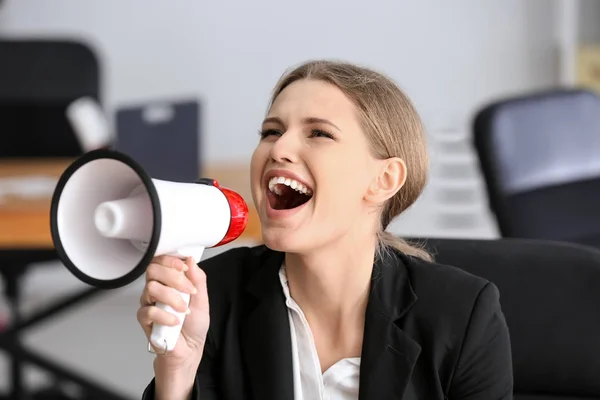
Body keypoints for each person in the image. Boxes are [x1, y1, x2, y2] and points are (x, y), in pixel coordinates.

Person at [137, 60, 513, 400]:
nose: (278, 148)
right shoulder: (213, 294)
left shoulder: (462, 315)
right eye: (271, 131)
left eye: (318, 133)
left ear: (384, 180)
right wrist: (178, 369)